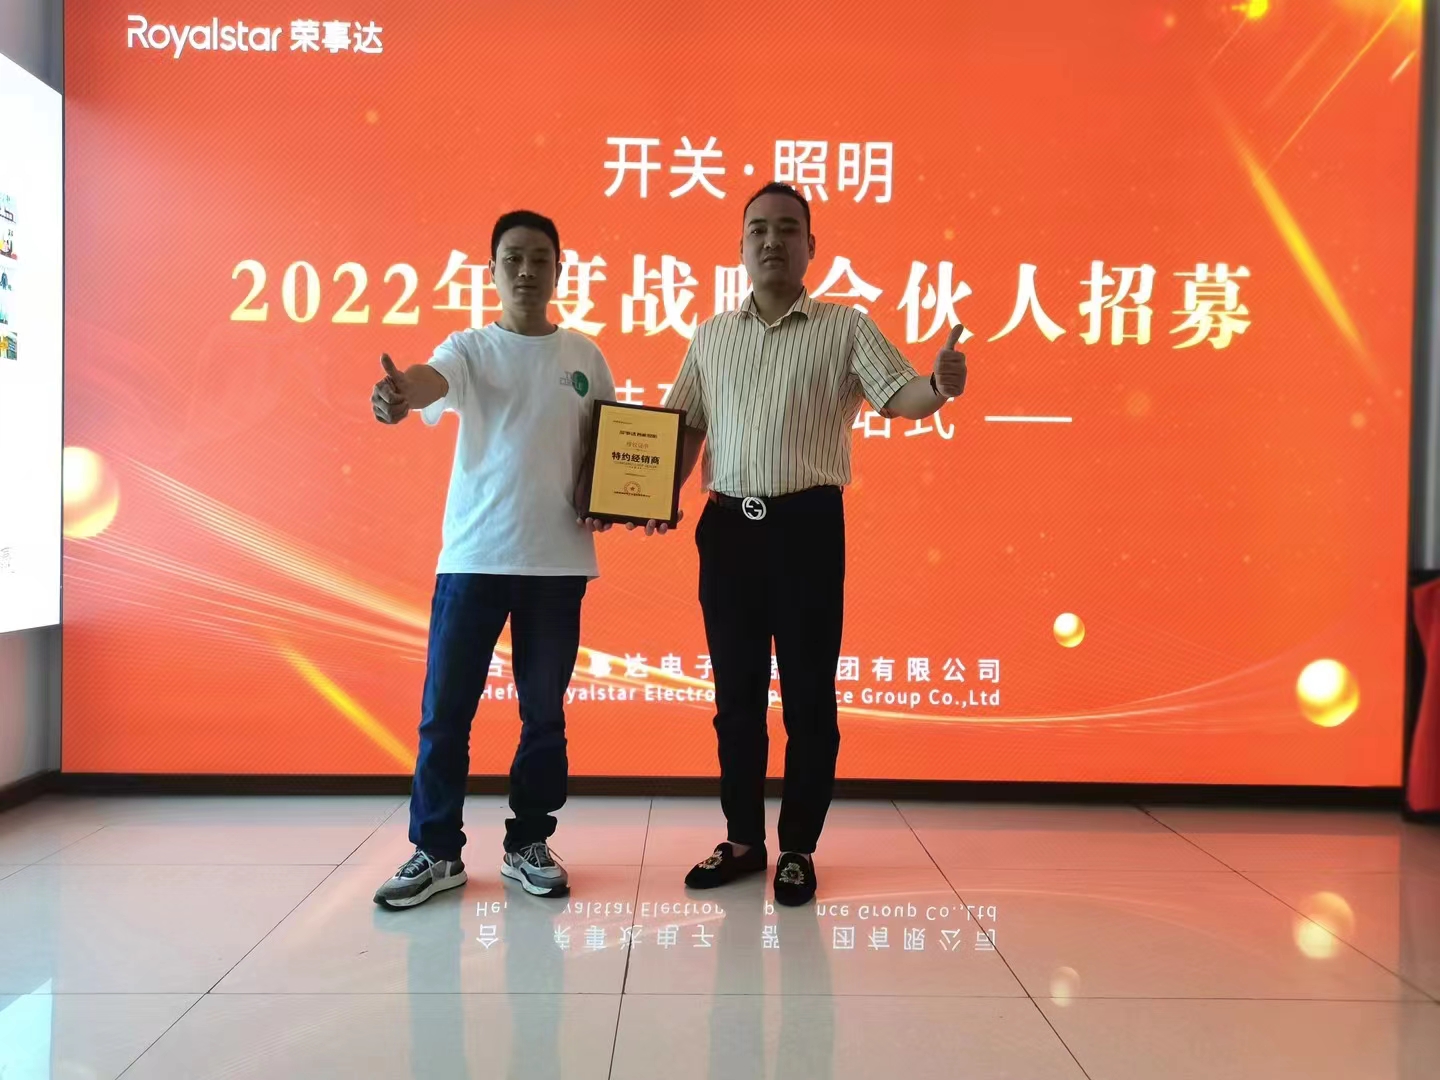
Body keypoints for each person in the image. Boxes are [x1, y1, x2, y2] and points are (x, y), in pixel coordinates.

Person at [656, 182, 968, 906]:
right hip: (727, 532)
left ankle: (797, 847)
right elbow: (684, 428)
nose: (773, 241)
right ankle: (742, 839)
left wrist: (940, 385)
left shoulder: (845, 326)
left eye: (788, 229)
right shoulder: (711, 335)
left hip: (807, 531)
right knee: (735, 699)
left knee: (808, 699)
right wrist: (649, 495)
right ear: (741, 247)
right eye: (758, 229)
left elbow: (902, 397)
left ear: (811, 247)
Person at [370, 210, 616, 909]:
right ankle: (436, 850)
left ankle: (529, 842)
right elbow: (430, 381)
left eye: (540, 258)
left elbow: (613, 445)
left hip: (557, 564)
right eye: (513, 258)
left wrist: (613, 497)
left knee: (544, 716)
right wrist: (400, 393)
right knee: (445, 713)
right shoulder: (470, 348)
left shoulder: (585, 357)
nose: (527, 270)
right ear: (492, 270)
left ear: (560, 270)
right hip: (474, 559)